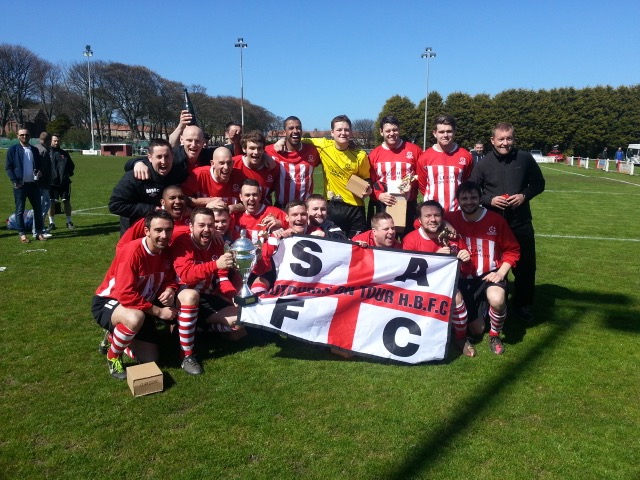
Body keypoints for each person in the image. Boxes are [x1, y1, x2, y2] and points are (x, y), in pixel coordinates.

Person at [469, 122, 545, 324]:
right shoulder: (483, 164)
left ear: (514, 138)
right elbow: (473, 191)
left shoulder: (525, 158)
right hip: (493, 226)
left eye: (509, 138)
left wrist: (524, 195)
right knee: (493, 265)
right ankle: (492, 302)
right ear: (492, 140)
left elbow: (539, 184)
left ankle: (522, 304)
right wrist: (489, 200)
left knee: (526, 266)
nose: (505, 143)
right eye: (501, 139)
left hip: (521, 222)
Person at [92, 210, 178, 379]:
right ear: (147, 231)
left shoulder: (165, 251)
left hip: (140, 306)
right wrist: (159, 312)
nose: (164, 235)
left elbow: (169, 278)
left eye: (168, 230)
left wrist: (170, 289)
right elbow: (125, 295)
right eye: (158, 230)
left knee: (150, 359)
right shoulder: (132, 252)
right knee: (135, 318)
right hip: (109, 302)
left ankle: (115, 337)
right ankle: (113, 356)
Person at [446, 182, 520, 355]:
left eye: (473, 197)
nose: (469, 202)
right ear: (457, 201)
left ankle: (495, 335)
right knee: (477, 330)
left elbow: (513, 250)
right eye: (464, 198)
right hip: (464, 278)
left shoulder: (496, 220)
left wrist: (501, 272)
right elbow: (423, 222)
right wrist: (447, 226)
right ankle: (479, 314)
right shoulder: (450, 218)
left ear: (480, 198)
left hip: (489, 275)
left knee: (497, 299)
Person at [402, 200, 475, 356]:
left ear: (442, 217)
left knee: (457, 298)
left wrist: (466, 260)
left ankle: (460, 338)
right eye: (427, 216)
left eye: (436, 215)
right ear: (419, 220)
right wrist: (435, 259)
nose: (433, 219)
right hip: (419, 287)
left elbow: (466, 270)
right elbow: (408, 275)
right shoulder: (410, 239)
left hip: (447, 285)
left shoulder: (452, 237)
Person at [171, 208, 239, 374]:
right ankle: (186, 355)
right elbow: (186, 276)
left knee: (240, 324)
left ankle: (193, 328)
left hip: (207, 297)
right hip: (182, 297)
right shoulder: (183, 242)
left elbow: (222, 277)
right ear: (191, 226)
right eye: (201, 225)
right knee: (191, 294)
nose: (207, 229)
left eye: (211, 225)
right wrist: (215, 265)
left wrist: (233, 296)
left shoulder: (218, 243)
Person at [304, 115, 372, 238]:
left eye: (346, 130)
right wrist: (281, 141)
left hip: (355, 209)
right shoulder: (323, 145)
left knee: (357, 246)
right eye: (339, 130)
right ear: (332, 132)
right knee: (332, 244)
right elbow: (299, 140)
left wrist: (368, 188)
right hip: (333, 207)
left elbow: (366, 178)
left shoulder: (360, 155)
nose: (343, 133)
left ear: (351, 132)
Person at [109, 138, 188, 235]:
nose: (163, 161)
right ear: (149, 158)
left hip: (164, 232)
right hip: (136, 232)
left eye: (167, 156)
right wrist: (151, 209)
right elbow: (115, 205)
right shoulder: (135, 176)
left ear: (172, 156)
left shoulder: (178, 173)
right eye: (159, 157)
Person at [368, 115, 421, 236]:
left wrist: (411, 186)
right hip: (384, 204)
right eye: (388, 131)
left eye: (395, 130)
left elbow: (421, 177)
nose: (392, 133)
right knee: (386, 240)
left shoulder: (414, 150)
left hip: (408, 204)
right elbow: (371, 181)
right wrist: (379, 195)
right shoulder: (374, 154)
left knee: (409, 240)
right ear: (381, 132)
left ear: (399, 130)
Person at [416, 115, 474, 212]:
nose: (445, 135)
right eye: (441, 132)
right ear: (435, 133)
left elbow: (466, 181)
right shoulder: (424, 157)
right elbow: (422, 185)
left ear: (454, 132)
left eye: (449, 131)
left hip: (457, 211)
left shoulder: (465, 155)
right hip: (432, 212)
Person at [115, 185, 194, 251]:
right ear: (163, 202)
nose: (178, 201)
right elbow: (122, 246)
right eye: (172, 198)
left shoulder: (191, 218)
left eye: (181, 198)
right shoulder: (149, 220)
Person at [264, 116, 321, 208]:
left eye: (298, 128)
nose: (295, 131)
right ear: (284, 132)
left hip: (305, 208)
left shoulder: (312, 150)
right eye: (291, 128)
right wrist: (264, 155)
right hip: (282, 207)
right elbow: (253, 150)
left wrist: (350, 144)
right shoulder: (272, 150)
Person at [5, 128, 46, 243]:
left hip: (33, 185)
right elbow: (8, 167)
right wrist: (14, 181)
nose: (24, 136)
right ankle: (22, 234)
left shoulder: (34, 150)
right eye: (22, 135)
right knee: (20, 210)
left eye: (26, 135)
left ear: (30, 136)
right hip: (20, 186)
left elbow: (38, 166)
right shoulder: (13, 150)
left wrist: (39, 172)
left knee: (38, 210)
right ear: (18, 136)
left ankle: (38, 232)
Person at [184, 146, 246, 212]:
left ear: (233, 163)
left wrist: (232, 208)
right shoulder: (199, 175)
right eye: (221, 163)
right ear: (212, 164)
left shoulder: (240, 176)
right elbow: (183, 199)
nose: (226, 167)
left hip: (231, 220)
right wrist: (208, 201)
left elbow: (252, 203)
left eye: (229, 163)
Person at [233, 130, 278, 205]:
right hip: (237, 213)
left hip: (263, 213)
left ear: (264, 149)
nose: (256, 152)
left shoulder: (272, 167)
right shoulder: (233, 164)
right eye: (252, 148)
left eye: (259, 148)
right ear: (244, 149)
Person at [48, 134, 76, 230]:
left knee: (66, 201)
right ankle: (51, 223)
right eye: (55, 141)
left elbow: (71, 166)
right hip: (51, 183)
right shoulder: (47, 152)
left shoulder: (64, 153)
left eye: (58, 141)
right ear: (51, 141)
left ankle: (69, 222)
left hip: (64, 183)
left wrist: (66, 175)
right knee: (51, 203)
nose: (56, 142)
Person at [33, 132, 52, 237]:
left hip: (40, 182)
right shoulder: (43, 151)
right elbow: (43, 169)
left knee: (45, 205)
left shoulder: (36, 147)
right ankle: (38, 231)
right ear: (48, 141)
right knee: (41, 207)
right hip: (42, 183)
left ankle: (40, 229)